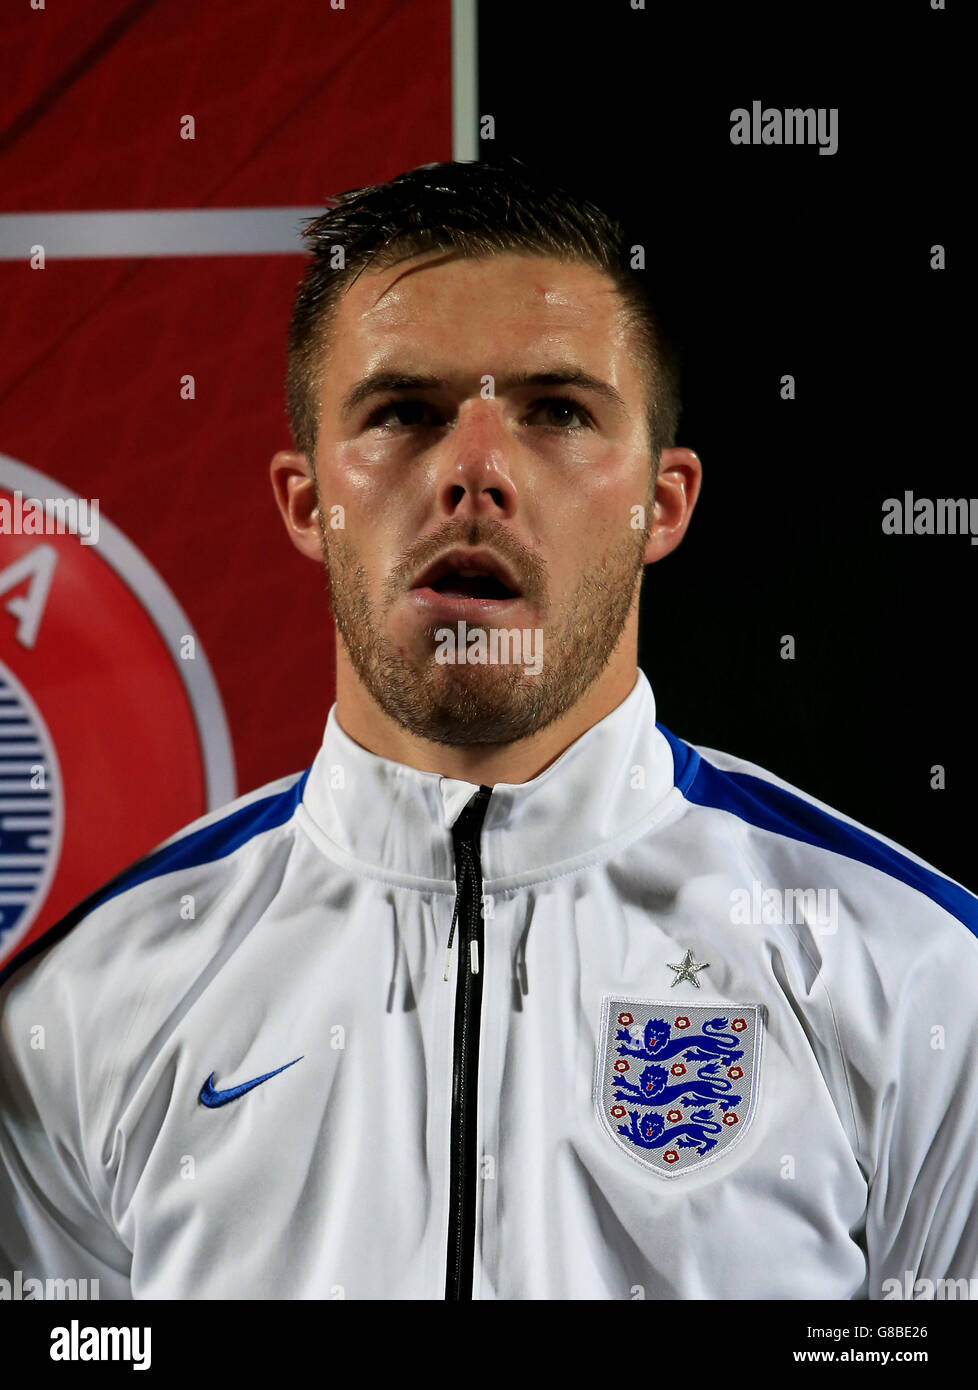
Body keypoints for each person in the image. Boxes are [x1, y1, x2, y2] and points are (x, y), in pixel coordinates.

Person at [1, 159, 976, 1302]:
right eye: (404, 412)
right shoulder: (80, 1010)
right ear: (307, 499)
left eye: (557, 411)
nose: (475, 471)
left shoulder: (915, 977)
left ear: (661, 502)